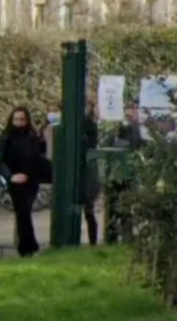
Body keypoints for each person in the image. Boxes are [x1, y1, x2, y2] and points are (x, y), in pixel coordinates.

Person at [0, 106, 50, 257]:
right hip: (16, 181)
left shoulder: (32, 136)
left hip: (32, 180)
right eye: (16, 120)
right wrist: (10, 176)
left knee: (25, 212)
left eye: (22, 120)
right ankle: (27, 247)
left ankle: (27, 245)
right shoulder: (6, 137)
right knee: (22, 212)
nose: (19, 123)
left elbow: (40, 156)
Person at [105, 99, 144, 244]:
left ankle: (123, 236)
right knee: (117, 205)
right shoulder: (122, 127)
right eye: (131, 108)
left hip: (127, 172)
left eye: (135, 108)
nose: (133, 112)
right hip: (119, 173)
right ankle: (115, 236)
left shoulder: (136, 128)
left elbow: (138, 145)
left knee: (124, 207)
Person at [79, 100, 103, 245]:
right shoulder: (88, 125)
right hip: (86, 172)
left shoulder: (89, 126)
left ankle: (92, 241)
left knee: (88, 210)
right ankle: (92, 242)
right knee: (88, 211)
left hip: (86, 173)